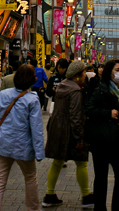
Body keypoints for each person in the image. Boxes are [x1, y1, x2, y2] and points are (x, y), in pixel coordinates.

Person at [0, 64, 45, 211]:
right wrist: (39, 152)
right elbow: (36, 128)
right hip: (23, 144)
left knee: (0, 180)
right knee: (30, 177)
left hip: (3, 142)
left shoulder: (4, 94)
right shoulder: (32, 99)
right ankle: (32, 208)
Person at [43, 60, 95, 208]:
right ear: (77, 75)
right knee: (81, 162)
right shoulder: (76, 91)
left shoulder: (61, 86)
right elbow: (76, 116)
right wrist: (79, 138)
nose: (85, 75)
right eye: (84, 73)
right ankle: (86, 196)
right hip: (70, 130)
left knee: (58, 161)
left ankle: (49, 194)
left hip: (56, 127)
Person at [86, 59, 119, 211]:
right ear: (109, 73)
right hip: (101, 140)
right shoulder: (101, 89)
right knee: (101, 178)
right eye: (117, 70)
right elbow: (89, 110)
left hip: (117, 140)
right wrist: (108, 113)